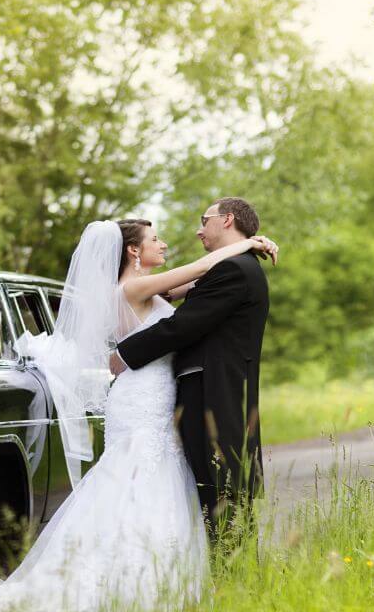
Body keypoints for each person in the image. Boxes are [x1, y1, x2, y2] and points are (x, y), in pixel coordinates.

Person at [0, 218, 277, 612]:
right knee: (141, 475)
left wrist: (240, 250)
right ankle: (130, 582)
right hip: (142, 393)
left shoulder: (148, 288)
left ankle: (151, 575)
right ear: (133, 251)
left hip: (149, 392)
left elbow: (199, 287)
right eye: (155, 239)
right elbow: (198, 271)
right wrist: (247, 244)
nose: (165, 243)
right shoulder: (133, 287)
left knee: (146, 477)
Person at [116, 198, 271, 545]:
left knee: (220, 493)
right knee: (215, 494)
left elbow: (181, 327)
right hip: (204, 397)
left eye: (205, 220)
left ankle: (233, 578)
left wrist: (123, 354)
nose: (199, 229)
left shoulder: (233, 270)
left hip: (215, 398)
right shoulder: (231, 268)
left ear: (228, 220)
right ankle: (229, 576)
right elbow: (171, 295)